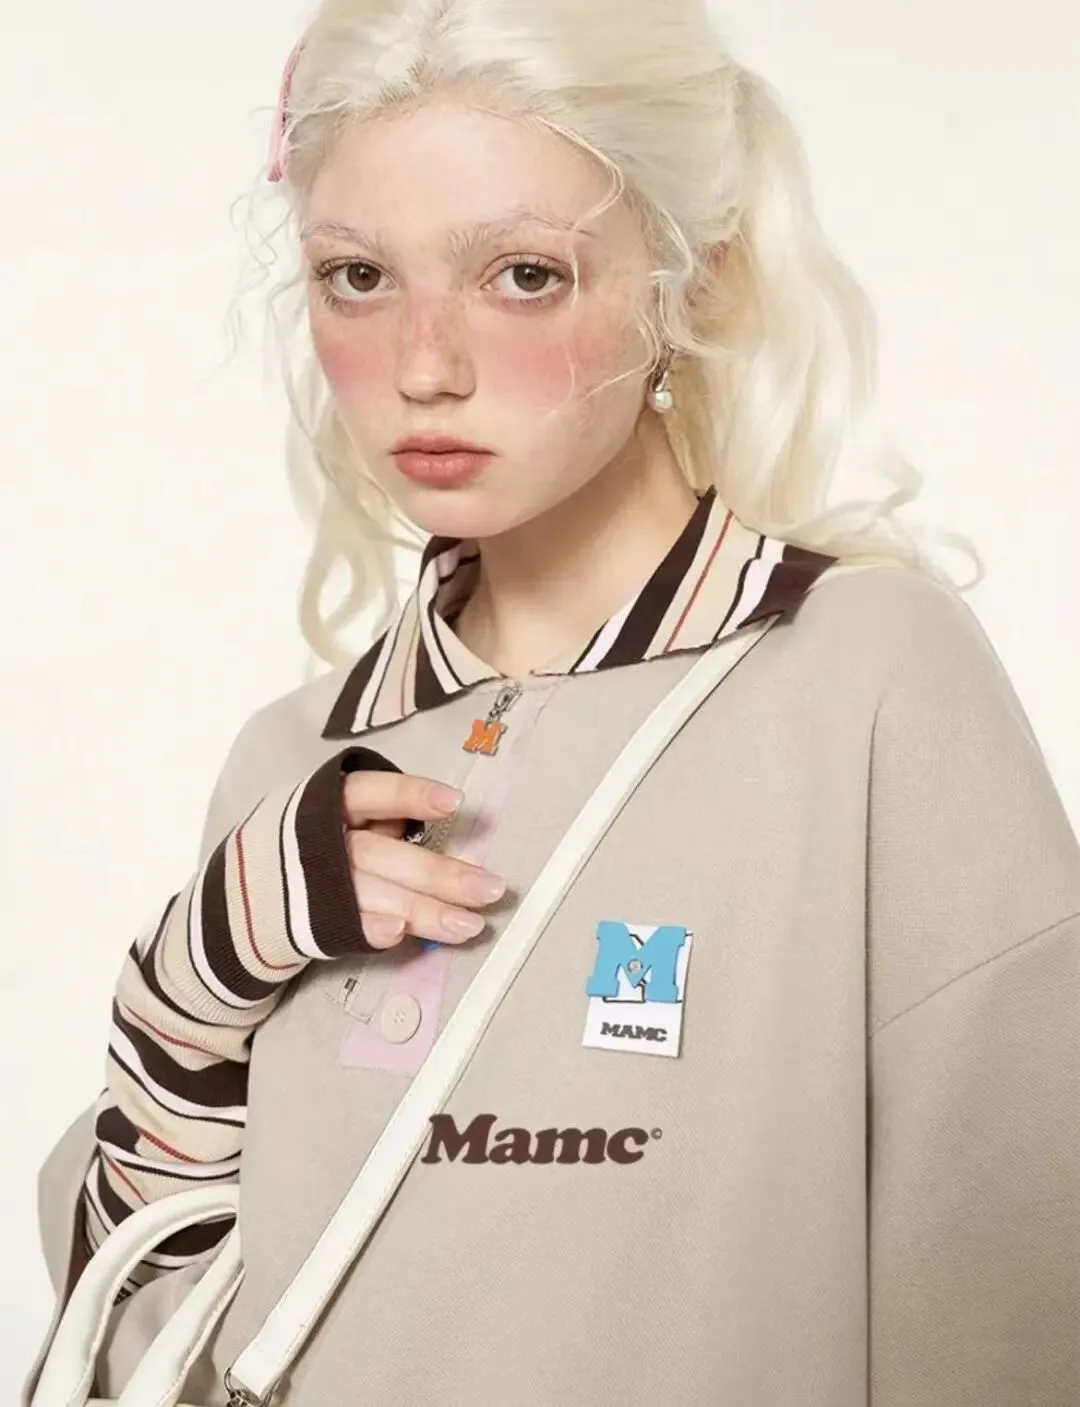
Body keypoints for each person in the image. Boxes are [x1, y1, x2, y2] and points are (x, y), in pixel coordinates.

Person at [24, 1, 1080, 1403]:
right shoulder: (291, 761)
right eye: (356, 276)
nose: (424, 364)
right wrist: (190, 993)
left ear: (689, 283)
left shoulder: (867, 681)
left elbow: (1013, 1304)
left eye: (522, 274)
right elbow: (147, 1354)